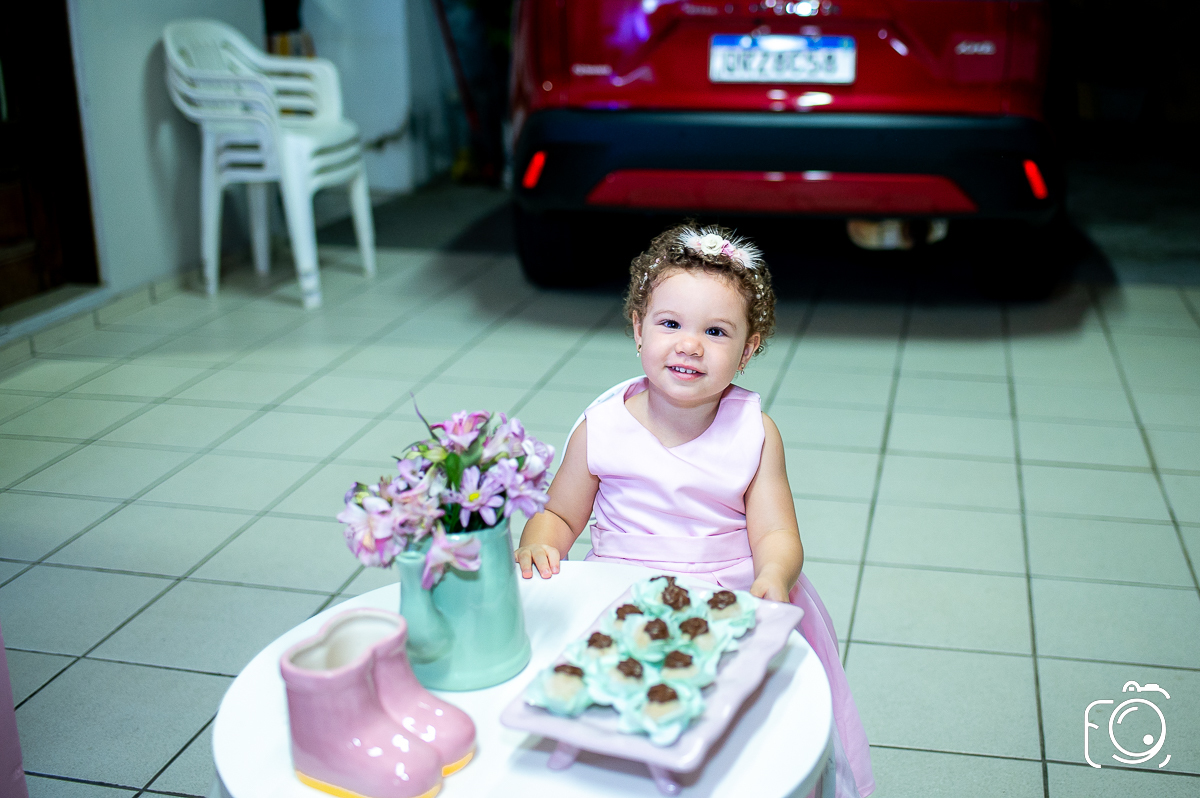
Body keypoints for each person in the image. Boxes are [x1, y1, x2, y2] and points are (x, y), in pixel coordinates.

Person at [515, 223, 874, 798]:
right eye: (670, 324)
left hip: (728, 594)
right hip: (621, 591)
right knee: (611, 701)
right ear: (638, 329)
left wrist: (774, 575)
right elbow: (560, 514)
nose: (690, 344)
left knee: (728, 721)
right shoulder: (602, 426)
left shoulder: (756, 433)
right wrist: (541, 541)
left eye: (716, 331)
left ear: (748, 349)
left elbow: (777, 532)